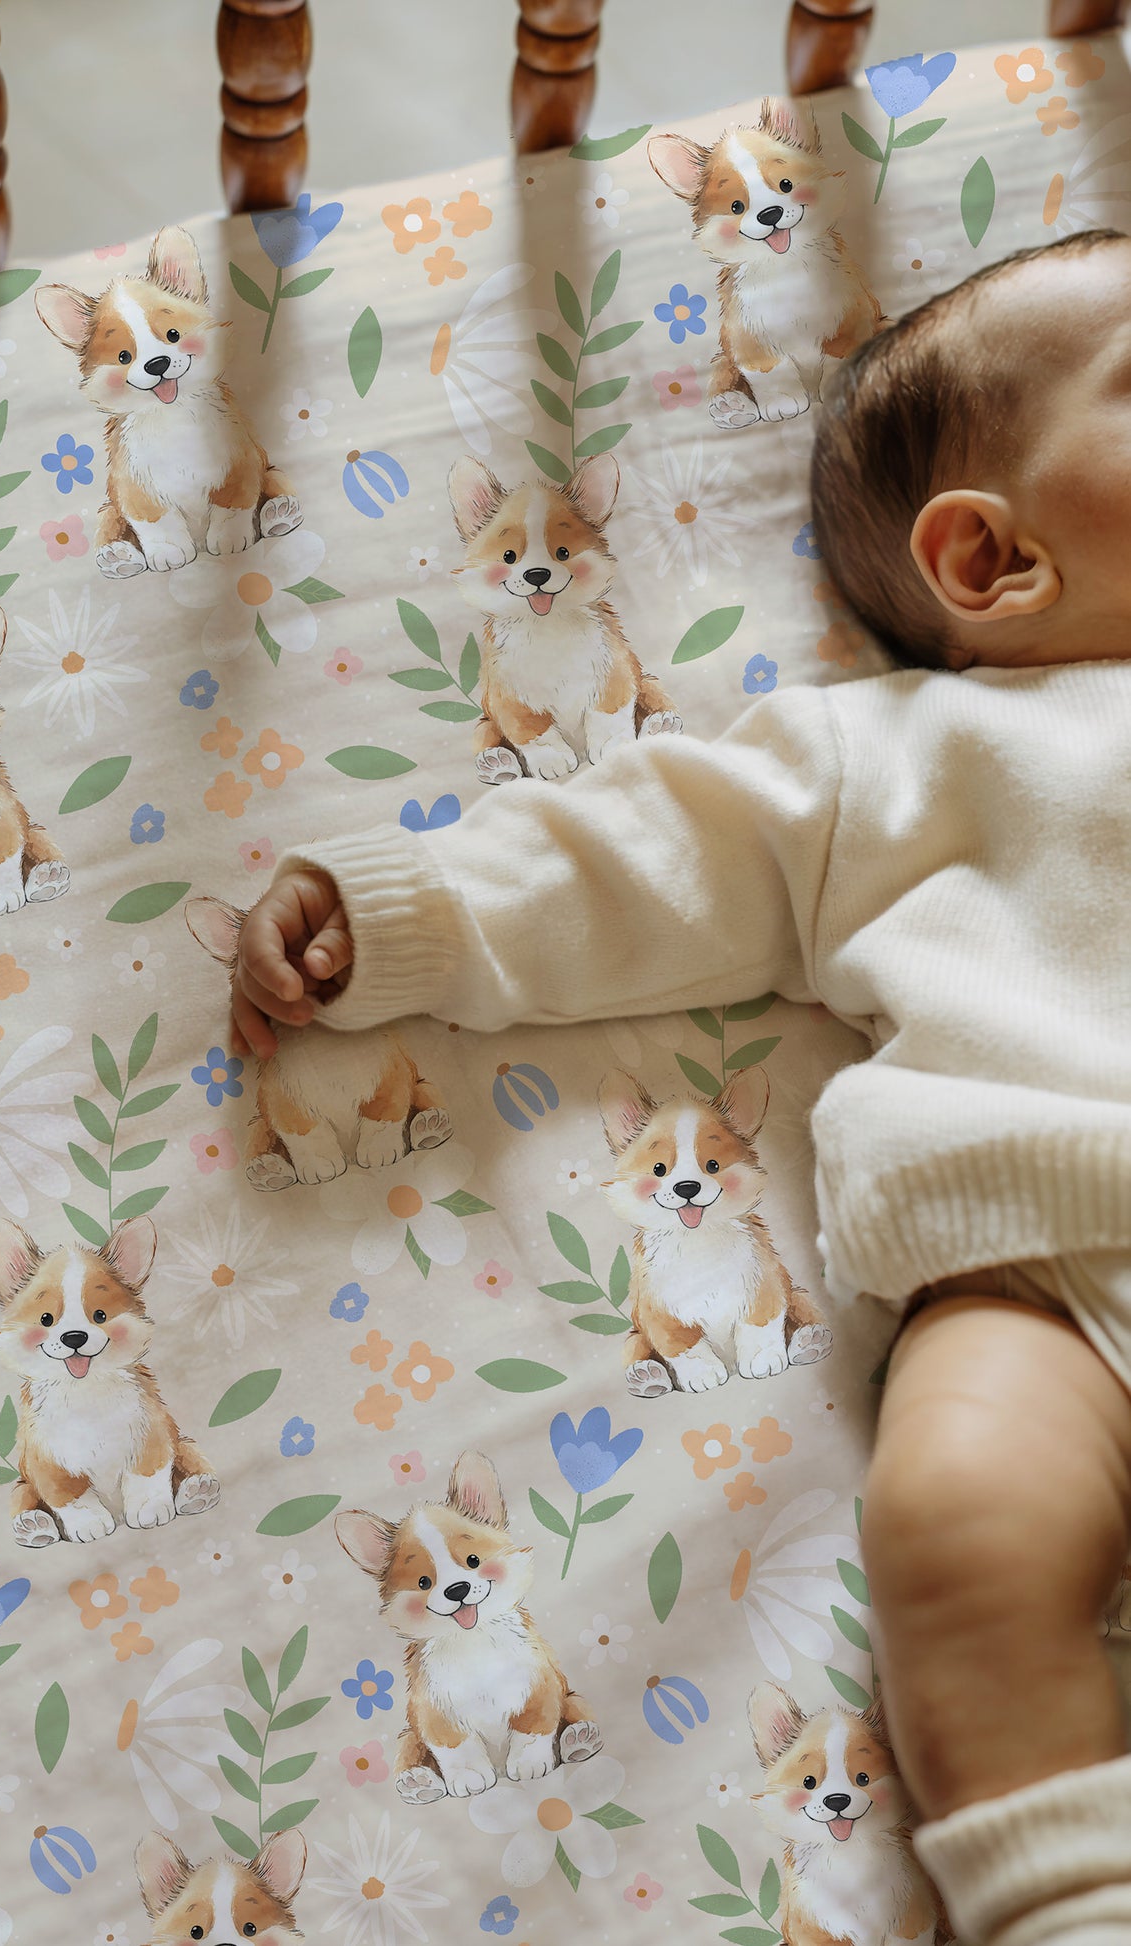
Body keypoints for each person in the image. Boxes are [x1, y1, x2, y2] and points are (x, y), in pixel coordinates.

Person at [227, 229, 1131, 1946]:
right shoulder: (901, 764)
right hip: (1039, 1258)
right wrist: (406, 913)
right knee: (955, 1521)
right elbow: (653, 854)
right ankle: (1070, 1903)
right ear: (991, 561)